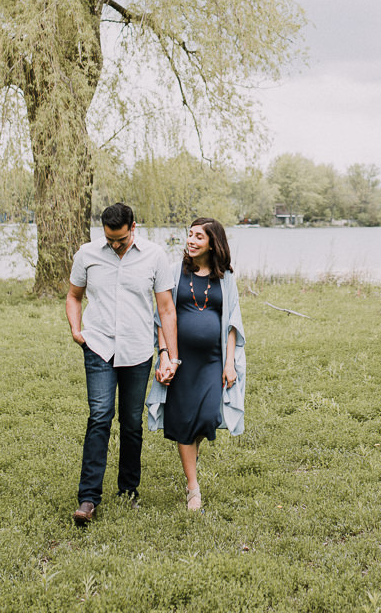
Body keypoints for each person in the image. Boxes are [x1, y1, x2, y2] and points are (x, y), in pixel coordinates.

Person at [66, 203, 180, 526]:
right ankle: (88, 499)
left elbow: (166, 309)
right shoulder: (87, 255)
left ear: (133, 228)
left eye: (121, 239)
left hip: (138, 351)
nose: (115, 245)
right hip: (99, 346)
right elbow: (74, 296)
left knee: (131, 424)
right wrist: (77, 330)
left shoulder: (155, 256)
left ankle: (128, 491)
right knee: (100, 416)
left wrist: (171, 355)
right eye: (110, 239)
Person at [147, 217, 246, 511]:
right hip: (181, 362)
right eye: (189, 235)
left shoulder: (225, 277)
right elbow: (162, 317)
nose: (191, 241)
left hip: (212, 361)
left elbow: (231, 323)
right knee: (184, 421)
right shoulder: (175, 273)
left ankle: (191, 455)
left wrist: (229, 363)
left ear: (212, 242)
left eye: (198, 237)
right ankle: (193, 488)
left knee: (206, 419)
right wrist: (165, 354)